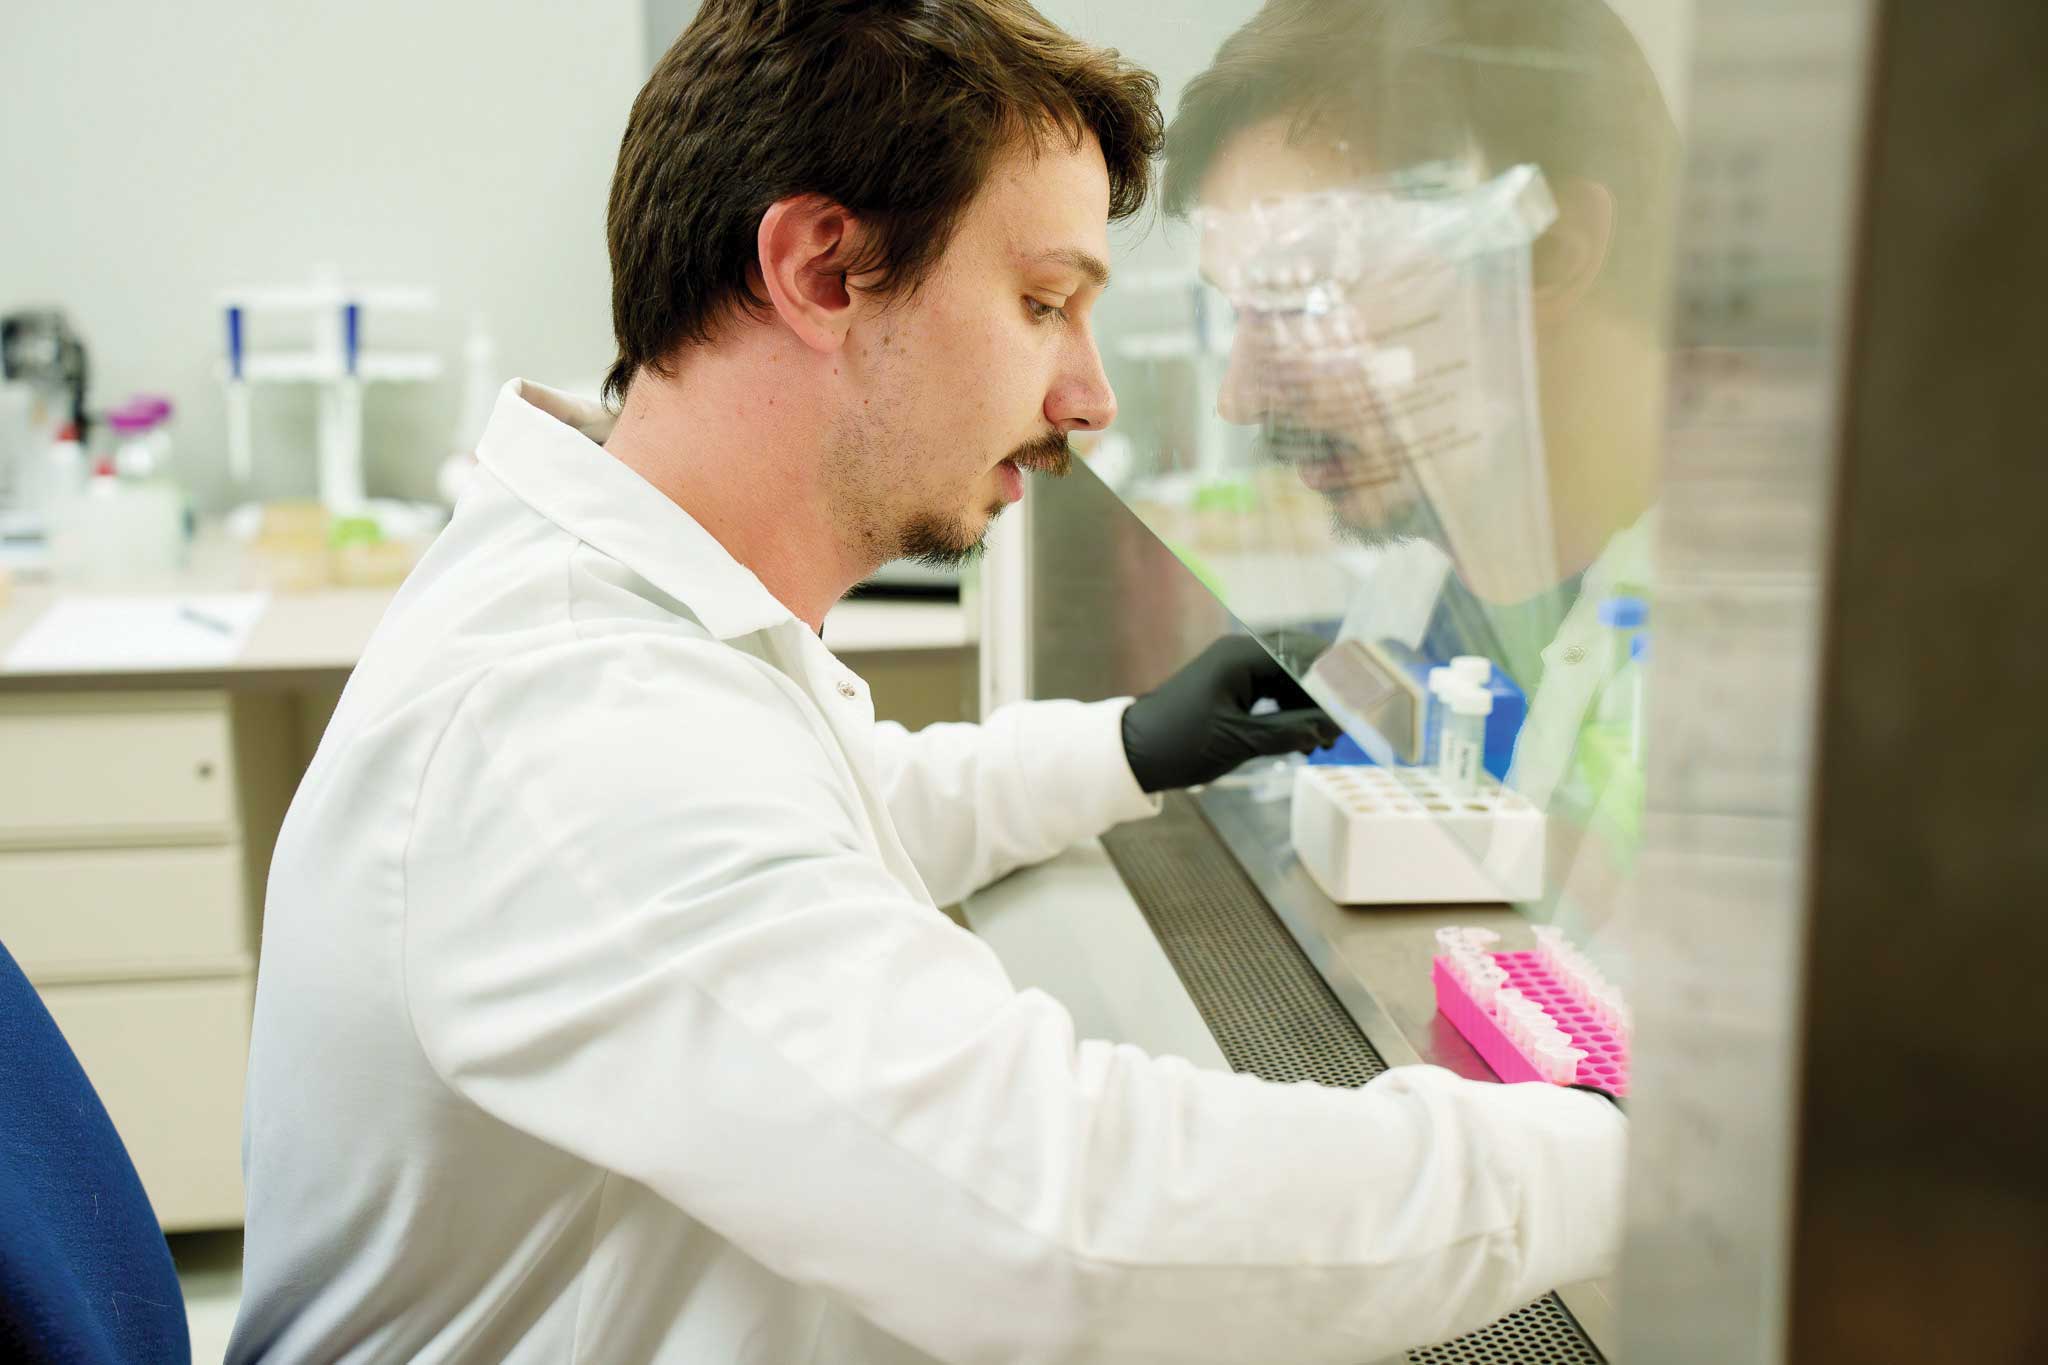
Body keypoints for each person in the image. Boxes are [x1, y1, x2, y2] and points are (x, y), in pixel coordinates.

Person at [230, 3, 1624, 1362]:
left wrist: (1126, 748)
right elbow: (1069, 1222)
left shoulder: (625, 618)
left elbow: (824, 818)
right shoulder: (573, 734)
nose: (1090, 396)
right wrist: (1628, 1150)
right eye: (1040, 303)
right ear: (824, 271)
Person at [1163, 0, 1681, 949]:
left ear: (1552, 253)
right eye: (1239, 313)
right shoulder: (1426, 573)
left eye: (1301, 299)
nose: (1238, 396)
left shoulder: (1730, 675)